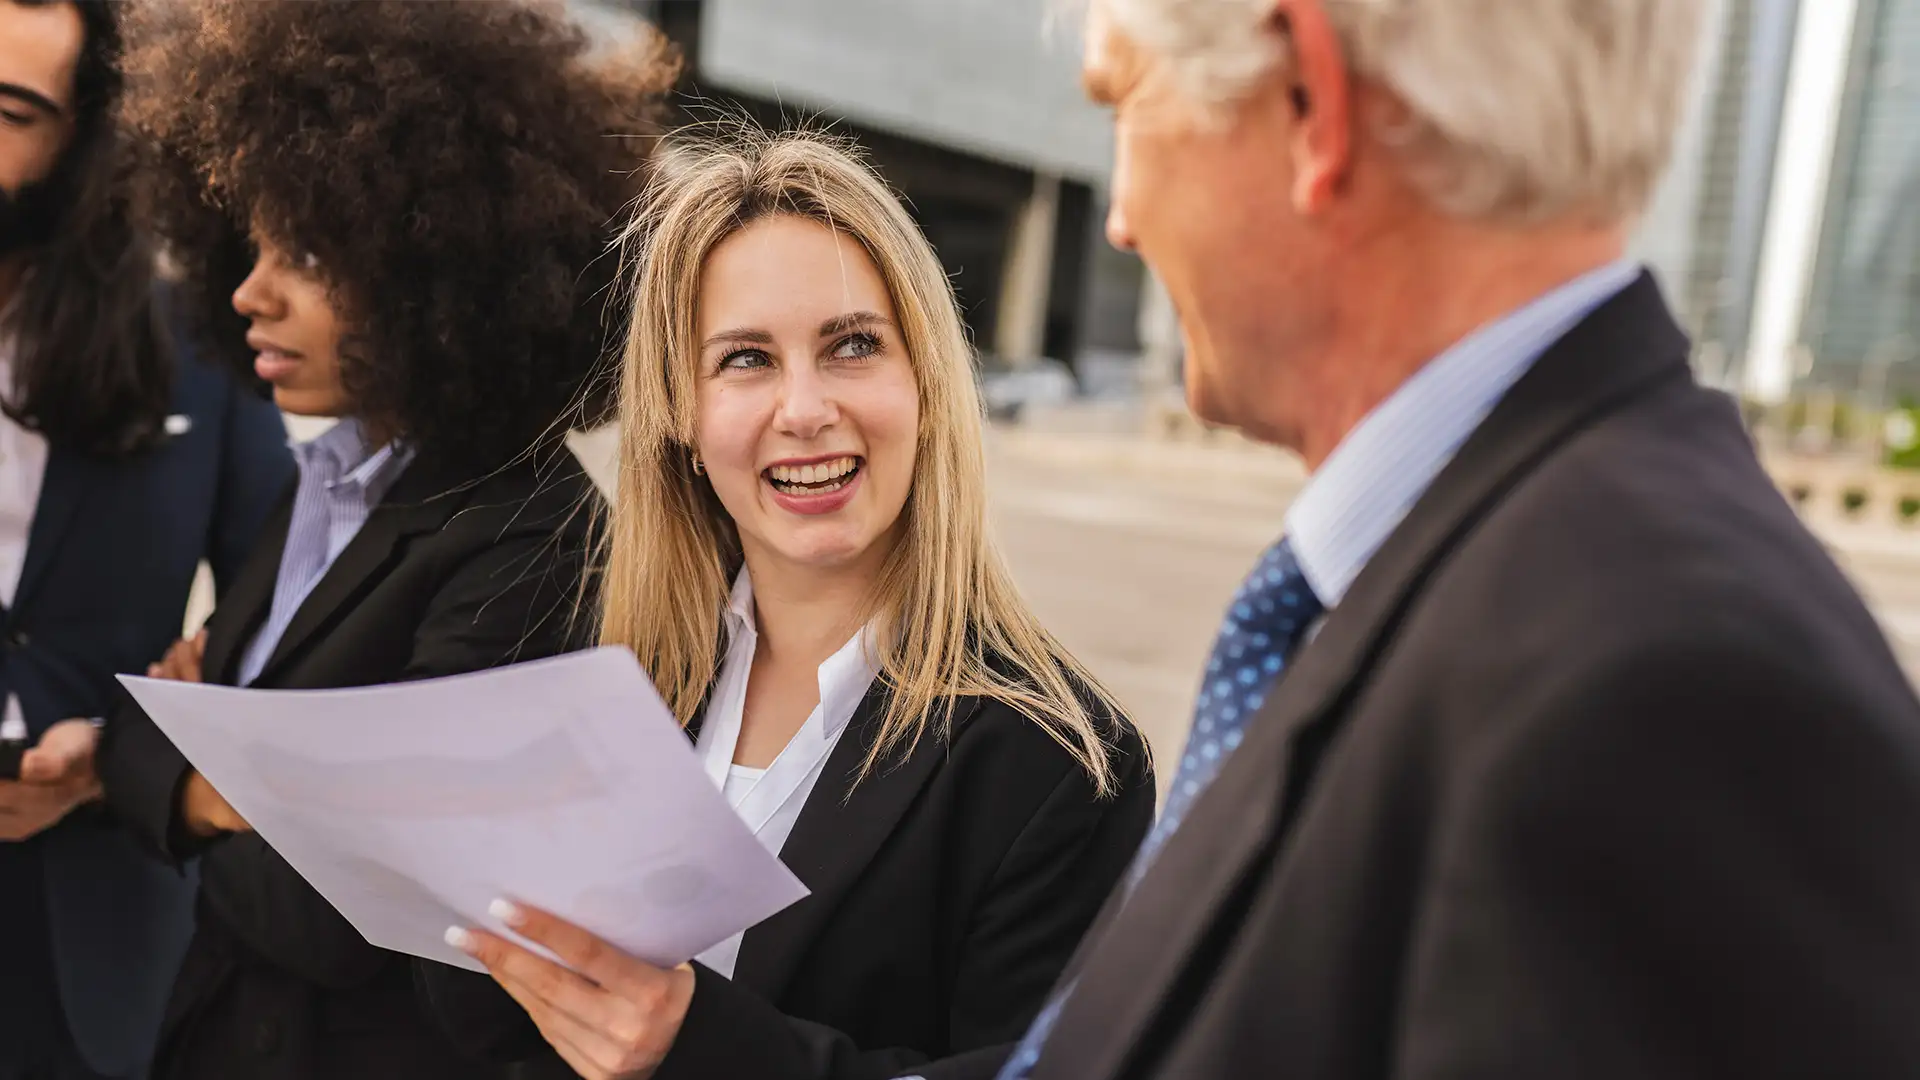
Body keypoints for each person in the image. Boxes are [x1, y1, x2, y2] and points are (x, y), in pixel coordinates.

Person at [981, 0, 1920, 1078]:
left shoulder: (1665, 692)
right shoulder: (1473, 580)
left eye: (1124, 103)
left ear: (1311, 105)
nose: (1122, 218)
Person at [16, 2, 672, 1077]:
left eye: (309, 254)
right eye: (254, 240)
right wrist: (237, 782)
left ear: (441, 266)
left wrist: (191, 764)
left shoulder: (531, 540)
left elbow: (349, 913)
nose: (247, 293)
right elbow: (245, 797)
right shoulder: (329, 479)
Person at [418, 126, 1155, 1080]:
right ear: (681, 412)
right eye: (747, 360)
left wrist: (696, 1044)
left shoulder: (1059, 767)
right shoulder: (607, 688)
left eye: (852, 346)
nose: (803, 410)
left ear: (926, 383)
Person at [0, 1, 292, 1076]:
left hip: (99, 935)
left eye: (10, 111)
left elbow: (291, 611)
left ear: (86, 146)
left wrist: (114, 759)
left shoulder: (199, 351)